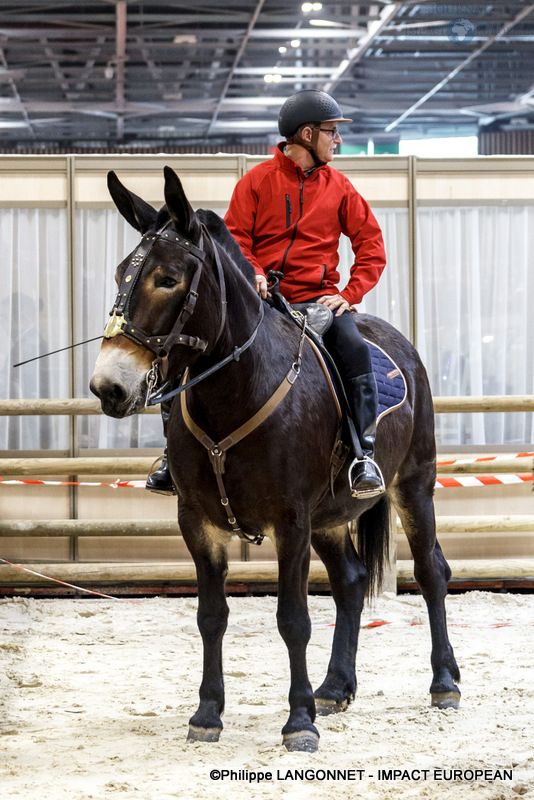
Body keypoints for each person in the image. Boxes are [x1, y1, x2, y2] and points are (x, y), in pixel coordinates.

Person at [147, 89, 386, 498]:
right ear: (307, 134)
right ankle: (173, 457)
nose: (338, 140)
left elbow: (371, 245)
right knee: (191, 349)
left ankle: (364, 456)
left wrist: (349, 293)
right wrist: (254, 272)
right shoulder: (256, 181)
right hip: (264, 301)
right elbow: (236, 238)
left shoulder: (341, 187)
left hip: (320, 301)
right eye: (332, 132)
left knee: (355, 350)